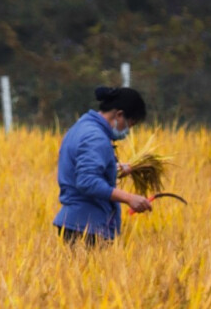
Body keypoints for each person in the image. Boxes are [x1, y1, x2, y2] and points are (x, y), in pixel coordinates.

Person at [54, 84, 152, 246]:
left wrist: (115, 168)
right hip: (87, 228)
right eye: (130, 125)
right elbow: (87, 181)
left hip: (74, 222)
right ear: (119, 115)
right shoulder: (96, 137)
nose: (128, 131)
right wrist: (129, 198)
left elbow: (80, 166)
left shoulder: (81, 126)